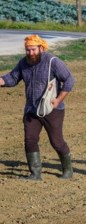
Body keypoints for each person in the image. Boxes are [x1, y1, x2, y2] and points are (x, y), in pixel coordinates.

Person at [0, 34, 75, 180]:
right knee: (30, 140)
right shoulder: (24, 63)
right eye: (28, 50)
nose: (30, 53)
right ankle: (35, 174)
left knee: (57, 142)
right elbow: (12, 78)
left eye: (33, 50)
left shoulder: (53, 61)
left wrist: (58, 100)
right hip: (31, 109)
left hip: (52, 110)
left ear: (41, 48)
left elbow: (69, 80)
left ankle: (68, 170)